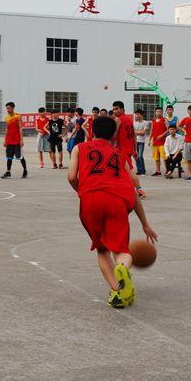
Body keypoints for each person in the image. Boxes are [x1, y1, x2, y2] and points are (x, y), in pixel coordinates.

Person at [67, 115, 158, 308]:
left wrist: (82, 191)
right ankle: (123, 267)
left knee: (102, 250)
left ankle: (117, 291)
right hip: (116, 201)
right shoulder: (119, 154)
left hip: (90, 200)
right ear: (113, 135)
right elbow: (132, 190)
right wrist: (145, 224)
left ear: (92, 131)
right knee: (121, 251)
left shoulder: (79, 148)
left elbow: (71, 177)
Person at [1, 102, 27, 179]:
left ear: (13, 108)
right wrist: (5, 140)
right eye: (6, 108)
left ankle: (25, 170)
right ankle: (8, 172)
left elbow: (20, 128)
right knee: (9, 157)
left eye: (8, 108)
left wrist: (21, 140)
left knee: (20, 157)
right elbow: (7, 129)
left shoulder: (18, 116)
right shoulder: (7, 118)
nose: (7, 110)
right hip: (9, 140)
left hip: (17, 140)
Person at [112, 101, 136, 171]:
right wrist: (135, 149)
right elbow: (134, 135)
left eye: (117, 109)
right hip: (129, 149)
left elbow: (114, 136)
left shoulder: (118, 120)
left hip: (122, 150)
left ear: (122, 109)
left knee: (128, 171)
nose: (115, 111)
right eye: (113, 109)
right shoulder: (129, 120)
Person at [149, 107, 168, 176]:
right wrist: (149, 140)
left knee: (164, 158)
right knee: (156, 158)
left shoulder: (164, 120)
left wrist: (162, 135)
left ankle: (167, 171)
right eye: (157, 111)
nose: (159, 113)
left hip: (162, 142)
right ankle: (158, 171)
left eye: (160, 111)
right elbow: (151, 130)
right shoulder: (153, 120)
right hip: (155, 142)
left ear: (162, 113)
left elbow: (168, 129)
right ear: (155, 112)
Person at [133, 109, 149, 175]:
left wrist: (136, 132)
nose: (136, 115)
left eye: (138, 114)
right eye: (136, 114)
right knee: (136, 156)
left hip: (141, 141)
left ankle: (143, 170)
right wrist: (138, 132)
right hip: (135, 141)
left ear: (141, 115)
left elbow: (143, 132)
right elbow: (133, 133)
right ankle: (139, 170)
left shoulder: (145, 122)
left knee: (140, 156)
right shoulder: (134, 123)